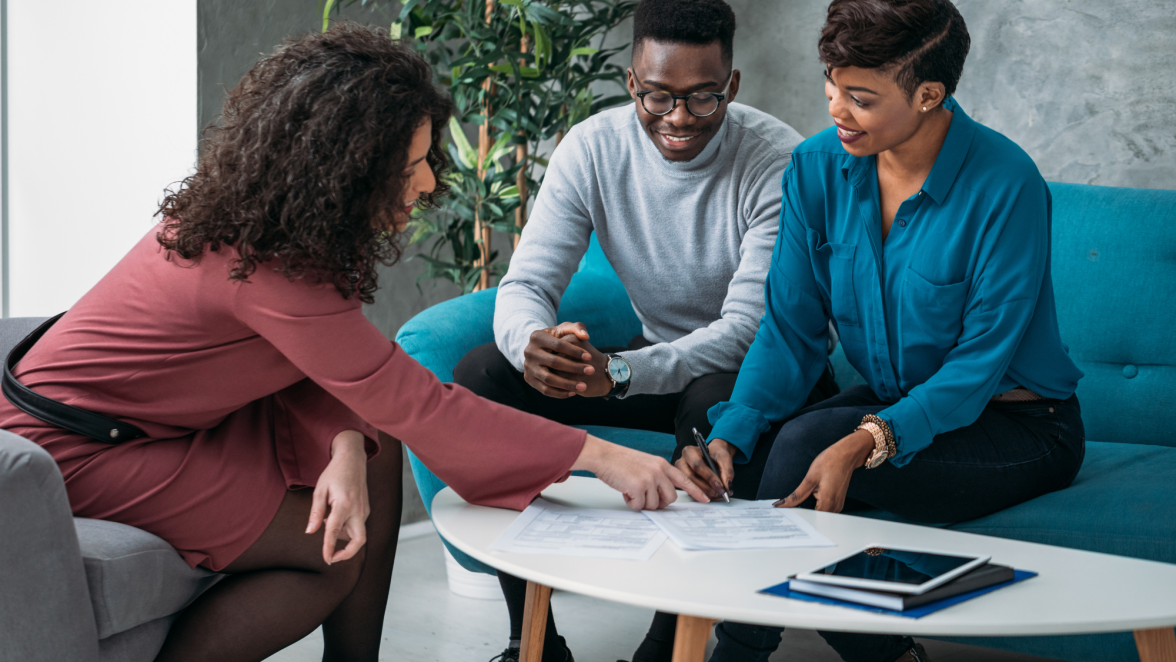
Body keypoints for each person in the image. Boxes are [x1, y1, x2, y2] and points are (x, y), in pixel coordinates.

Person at [0, 24, 707, 662]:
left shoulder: (272, 229)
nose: (429, 184)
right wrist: (599, 456)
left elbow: (324, 372)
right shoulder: (267, 270)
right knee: (335, 553)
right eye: (411, 167)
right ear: (347, 168)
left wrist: (342, 441)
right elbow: (418, 402)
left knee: (374, 445)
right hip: (78, 448)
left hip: (148, 422)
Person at [676, 1, 1087, 660]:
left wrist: (874, 436)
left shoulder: (1006, 185)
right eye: (831, 86)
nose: (836, 108)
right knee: (747, 449)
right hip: (896, 403)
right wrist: (733, 430)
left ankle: (736, 652)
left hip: (1019, 424)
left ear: (929, 94)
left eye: (860, 98)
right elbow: (790, 328)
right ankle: (886, 654)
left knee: (810, 440)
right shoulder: (816, 168)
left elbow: (979, 363)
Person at [451, 1, 838, 660]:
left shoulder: (779, 162)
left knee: (708, 401)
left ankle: (664, 646)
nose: (679, 118)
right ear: (632, 82)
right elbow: (524, 287)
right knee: (482, 379)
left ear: (733, 86)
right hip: (655, 361)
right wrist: (532, 346)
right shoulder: (593, 149)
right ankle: (532, 640)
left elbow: (750, 330)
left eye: (702, 98)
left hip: (766, 376)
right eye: (657, 97)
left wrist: (621, 371)